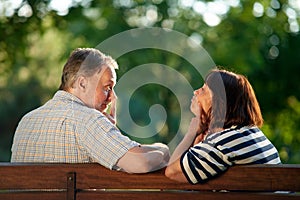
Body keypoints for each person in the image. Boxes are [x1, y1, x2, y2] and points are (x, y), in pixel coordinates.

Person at [11, 48, 170, 173]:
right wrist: (163, 151)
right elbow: (140, 163)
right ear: (82, 83)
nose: (112, 97)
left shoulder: (26, 120)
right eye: (107, 88)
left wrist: (108, 132)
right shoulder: (87, 119)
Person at [165, 68, 281, 184]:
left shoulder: (222, 143)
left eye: (204, 90)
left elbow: (171, 172)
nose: (196, 92)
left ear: (218, 101)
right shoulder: (250, 133)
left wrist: (191, 132)